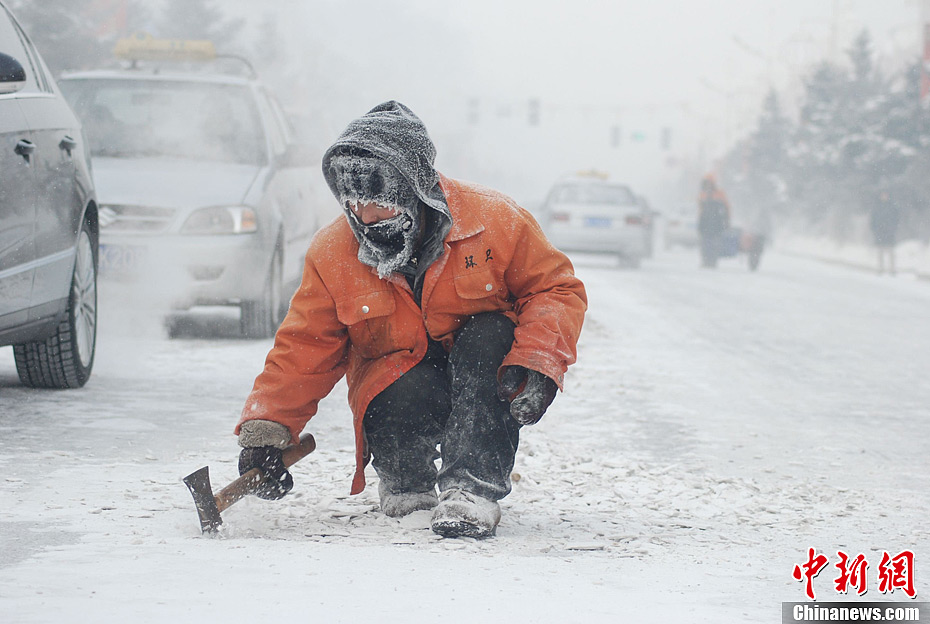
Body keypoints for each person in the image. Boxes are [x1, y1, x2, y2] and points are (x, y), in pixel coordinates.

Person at [234, 101, 587, 538]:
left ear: (416, 189)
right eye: (354, 204)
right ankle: (407, 482)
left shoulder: (495, 222)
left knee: (490, 334)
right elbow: (304, 346)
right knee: (393, 374)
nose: (366, 217)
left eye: (380, 205)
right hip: (400, 387)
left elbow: (555, 290)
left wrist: (539, 360)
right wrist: (268, 433)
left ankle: (471, 489)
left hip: (480, 381)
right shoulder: (333, 253)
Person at [697, 173, 731, 268]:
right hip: (705, 224)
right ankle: (705, 261)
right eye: (706, 183)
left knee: (715, 244)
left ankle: (712, 261)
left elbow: (727, 208)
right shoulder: (702, 194)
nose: (708, 185)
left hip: (716, 224)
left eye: (709, 183)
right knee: (705, 244)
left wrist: (727, 220)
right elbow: (700, 211)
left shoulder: (720, 194)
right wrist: (700, 223)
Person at [870, 190, 900, 275]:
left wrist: (893, 228)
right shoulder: (877, 207)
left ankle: (892, 269)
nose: (884, 197)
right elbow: (873, 219)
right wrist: (874, 229)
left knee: (891, 252)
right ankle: (880, 268)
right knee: (880, 252)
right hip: (880, 232)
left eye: (885, 195)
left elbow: (896, 218)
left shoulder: (892, 206)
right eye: (883, 195)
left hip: (890, 232)